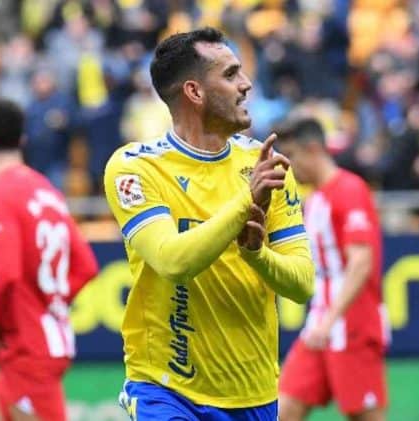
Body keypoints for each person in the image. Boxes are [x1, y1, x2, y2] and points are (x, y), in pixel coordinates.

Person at [103, 27, 315, 420]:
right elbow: (171, 261)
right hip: (166, 390)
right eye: (231, 74)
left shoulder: (267, 168)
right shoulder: (136, 168)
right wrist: (244, 204)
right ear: (195, 92)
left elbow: (302, 284)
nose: (247, 84)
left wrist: (256, 254)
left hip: (252, 395)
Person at [0, 99, 99, 421]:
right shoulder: (47, 191)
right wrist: (50, 303)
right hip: (44, 337)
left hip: (25, 346)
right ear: (22, 140)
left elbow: (5, 273)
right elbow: (85, 266)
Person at [276, 118, 389, 421]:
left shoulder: (350, 190)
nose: (289, 166)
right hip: (320, 323)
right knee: (282, 408)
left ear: (313, 149)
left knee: (364, 415)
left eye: (292, 155)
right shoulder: (314, 199)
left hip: (352, 324)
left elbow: (361, 262)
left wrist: (330, 321)